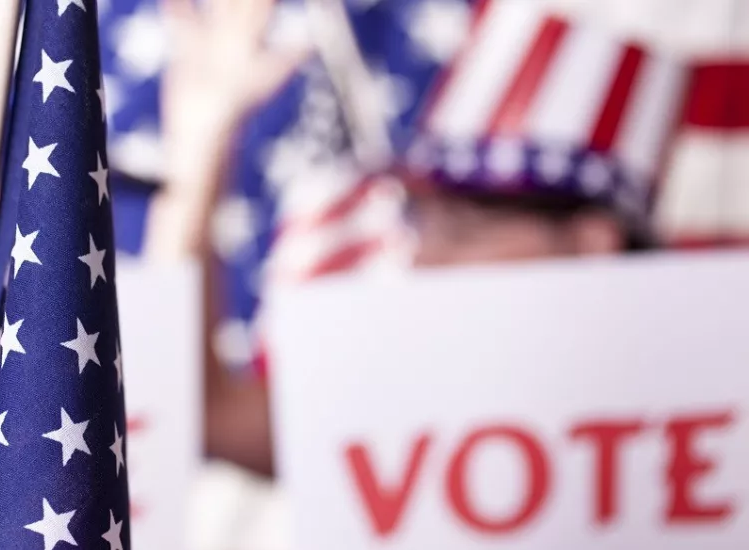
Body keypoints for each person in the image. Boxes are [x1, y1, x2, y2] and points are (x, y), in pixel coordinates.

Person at [150, 0, 691, 479]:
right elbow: (204, 412)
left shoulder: (702, 410)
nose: (422, 257)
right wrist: (201, 146)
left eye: (463, 230)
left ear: (592, 244)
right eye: (422, 226)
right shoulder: (414, 401)